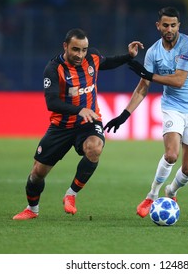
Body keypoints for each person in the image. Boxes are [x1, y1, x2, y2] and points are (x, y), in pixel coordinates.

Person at [13, 28, 143, 220]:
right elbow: (51, 102)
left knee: (95, 148)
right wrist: (78, 110)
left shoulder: (92, 58)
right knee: (37, 173)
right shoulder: (53, 69)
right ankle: (32, 209)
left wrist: (128, 56)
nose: (80, 55)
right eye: (75, 49)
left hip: (89, 122)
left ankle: (71, 194)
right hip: (61, 127)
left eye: (83, 50)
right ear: (65, 46)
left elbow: (107, 62)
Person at [104, 7, 188, 218]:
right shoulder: (153, 52)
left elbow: (179, 80)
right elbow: (143, 86)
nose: (169, 29)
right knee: (171, 154)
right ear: (158, 26)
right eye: (165, 25)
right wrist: (124, 115)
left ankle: (172, 191)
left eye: (173, 25)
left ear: (179, 26)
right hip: (173, 107)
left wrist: (148, 74)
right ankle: (152, 195)